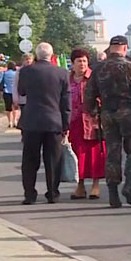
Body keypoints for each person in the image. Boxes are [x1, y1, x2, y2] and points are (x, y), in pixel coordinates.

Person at [84, 35, 131, 208]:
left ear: (110, 48)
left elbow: (89, 94)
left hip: (107, 113)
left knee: (112, 152)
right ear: (124, 48)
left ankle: (113, 193)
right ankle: (129, 184)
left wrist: (93, 112)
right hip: (128, 112)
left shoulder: (99, 68)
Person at [16, 43, 70, 204]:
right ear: (52, 55)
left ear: (37, 55)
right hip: (54, 122)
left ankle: (29, 195)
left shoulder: (26, 71)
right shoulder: (62, 73)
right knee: (53, 160)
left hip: (31, 121)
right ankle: (52, 194)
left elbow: (22, 91)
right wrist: (66, 125)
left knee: (30, 160)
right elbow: (66, 102)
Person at [68, 49, 106, 200]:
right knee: (78, 155)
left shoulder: (94, 78)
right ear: (73, 63)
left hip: (93, 122)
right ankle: (80, 186)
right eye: (79, 61)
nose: (82, 64)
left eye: (84, 61)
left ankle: (95, 185)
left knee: (95, 155)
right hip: (74, 122)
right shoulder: (68, 79)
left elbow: (104, 97)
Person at [0, 62, 19, 128]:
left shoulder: (4, 73)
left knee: (8, 108)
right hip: (15, 92)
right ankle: (15, 121)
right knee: (15, 108)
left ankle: (10, 122)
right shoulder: (16, 74)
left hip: (6, 92)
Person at [13, 53, 33, 118]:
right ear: (23, 61)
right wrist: (15, 99)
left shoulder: (36, 70)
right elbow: (15, 85)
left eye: (30, 59)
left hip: (34, 98)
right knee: (25, 116)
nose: (28, 61)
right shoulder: (19, 71)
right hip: (23, 98)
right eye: (26, 59)